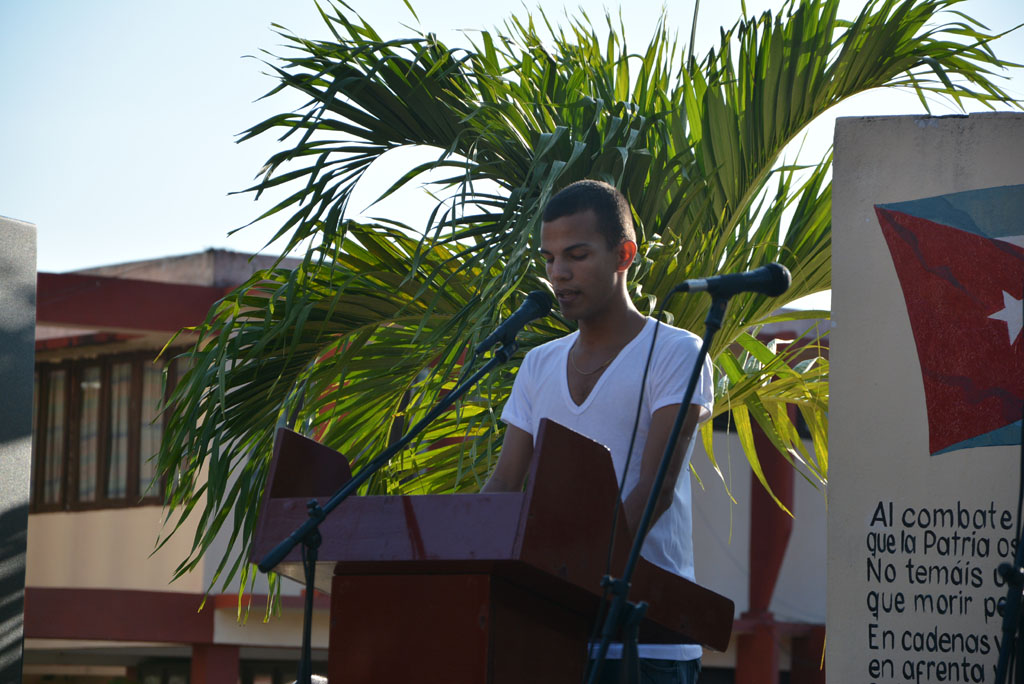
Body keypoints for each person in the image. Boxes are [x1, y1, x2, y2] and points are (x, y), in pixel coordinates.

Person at [482, 179, 713, 684]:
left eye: (577, 255)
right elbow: (503, 485)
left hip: (645, 642)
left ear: (624, 254)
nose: (558, 274)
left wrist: (575, 576)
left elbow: (654, 491)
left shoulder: (676, 352)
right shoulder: (538, 365)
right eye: (548, 259)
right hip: (548, 635)